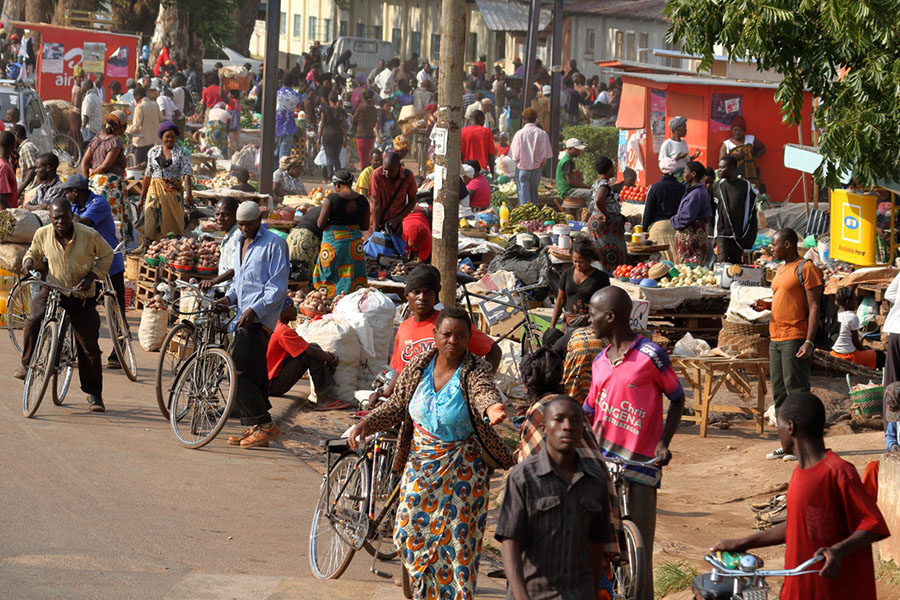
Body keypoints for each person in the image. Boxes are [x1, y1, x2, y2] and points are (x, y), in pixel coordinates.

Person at [346, 307, 514, 600]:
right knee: (407, 531)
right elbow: (398, 405)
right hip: (420, 465)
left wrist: (492, 407)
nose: (453, 340)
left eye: (460, 335)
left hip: (463, 471)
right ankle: (424, 588)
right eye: (446, 334)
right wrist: (367, 423)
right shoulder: (419, 366)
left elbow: (484, 392)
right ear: (435, 335)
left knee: (456, 544)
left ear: (469, 338)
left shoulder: (475, 370)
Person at [712, 391, 889, 600]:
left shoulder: (838, 471)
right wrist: (744, 542)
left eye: (778, 425)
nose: (778, 432)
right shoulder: (799, 473)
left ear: (790, 427)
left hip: (831, 592)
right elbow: (797, 525)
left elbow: (872, 525)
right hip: (799, 589)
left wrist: (838, 551)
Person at [584, 286, 686, 600]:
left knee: (639, 548)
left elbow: (677, 398)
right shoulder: (600, 361)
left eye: (593, 313)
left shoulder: (651, 355)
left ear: (611, 317)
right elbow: (590, 409)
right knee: (598, 546)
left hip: (641, 463)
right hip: (604, 463)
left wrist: (663, 443)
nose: (590, 320)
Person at [499, 395, 618, 600]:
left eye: (575, 420)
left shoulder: (595, 481)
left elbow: (597, 546)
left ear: (584, 429)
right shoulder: (523, 477)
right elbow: (510, 545)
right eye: (559, 419)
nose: (567, 426)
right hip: (533, 593)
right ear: (544, 428)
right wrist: (520, 597)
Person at [17, 198, 113, 412]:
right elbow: (33, 251)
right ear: (50, 218)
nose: (60, 222)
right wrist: (28, 262)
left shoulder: (89, 235)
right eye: (56, 218)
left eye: (64, 217)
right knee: (34, 319)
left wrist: (92, 276)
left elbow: (107, 255)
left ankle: (94, 394)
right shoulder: (43, 234)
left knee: (89, 347)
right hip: (53, 288)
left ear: (72, 216)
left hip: (81, 294)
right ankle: (26, 363)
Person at [216, 201, 289, 448]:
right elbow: (241, 280)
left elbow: (276, 287)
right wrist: (229, 298)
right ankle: (257, 428)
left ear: (259, 220)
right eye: (241, 225)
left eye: (249, 224)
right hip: (241, 316)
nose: (245, 229)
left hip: (261, 318)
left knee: (237, 369)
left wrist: (253, 310)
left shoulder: (274, 244)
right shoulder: (238, 242)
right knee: (255, 372)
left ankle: (265, 424)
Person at [371, 265, 501, 403]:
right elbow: (399, 369)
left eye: (428, 292)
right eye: (417, 292)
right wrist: (386, 394)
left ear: (435, 296)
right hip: (413, 405)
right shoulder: (404, 328)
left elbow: (494, 351)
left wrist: (480, 388)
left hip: (448, 405)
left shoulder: (449, 324)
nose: (422, 297)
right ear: (407, 295)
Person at [753, 228, 823, 461]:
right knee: (780, 392)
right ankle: (787, 444)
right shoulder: (781, 269)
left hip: (795, 336)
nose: (771, 249)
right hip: (776, 337)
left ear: (788, 245)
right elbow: (784, 301)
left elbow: (814, 306)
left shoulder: (807, 268)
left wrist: (810, 340)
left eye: (774, 245)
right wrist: (767, 305)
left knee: (797, 390)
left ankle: (804, 445)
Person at [63, 174, 127, 369]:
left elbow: (82, 224)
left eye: (68, 192)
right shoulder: (73, 205)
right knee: (81, 304)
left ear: (76, 192)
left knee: (117, 309)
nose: (66, 195)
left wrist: (63, 211)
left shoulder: (99, 203)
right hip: (89, 262)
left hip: (110, 261)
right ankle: (75, 349)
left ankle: (119, 349)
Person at [267, 298, 346, 407]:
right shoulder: (282, 331)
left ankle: (323, 396)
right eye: (292, 307)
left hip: (269, 382)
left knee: (312, 350)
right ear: (283, 312)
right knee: (310, 354)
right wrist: (331, 359)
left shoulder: (275, 326)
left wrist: (326, 356)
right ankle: (322, 398)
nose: (296, 310)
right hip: (273, 386)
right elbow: (309, 350)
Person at [311, 170, 369, 297]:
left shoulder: (332, 199)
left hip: (334, 244)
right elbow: (365, 226)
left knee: (329, 275)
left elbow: (320, 224)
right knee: (352, 277)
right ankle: (351, 301)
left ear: (337, 185)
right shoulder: (363, 200)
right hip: (354, 247)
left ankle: (329, 301)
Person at [550, 236, 611, 348]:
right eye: (575, 261)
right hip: (569, 325)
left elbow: (606, 305)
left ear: (590, 259)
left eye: (581, 262)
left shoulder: (600, 278)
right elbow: (560, 300)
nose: (578, 265)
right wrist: (552, 325)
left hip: (590, 327)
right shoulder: (566, 274)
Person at [138, 121, 193, 241]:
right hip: (155, 189)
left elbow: (187, 174)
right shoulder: (153, 152)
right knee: (151, 216)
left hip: (173, 192)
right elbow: (147, 175)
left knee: (172, 221)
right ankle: (151, 246)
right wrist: (141, 198)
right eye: (167, 136)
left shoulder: (181, 153)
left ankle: (171, 246)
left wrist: (188, 194)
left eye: (172, 137)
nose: (170, 139)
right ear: (161, 137)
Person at [80, 110, 128, 235]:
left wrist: (87, 181)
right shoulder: (115, 142)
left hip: (94, 185)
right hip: (110, 187)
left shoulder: (95, 140)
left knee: (97, 219)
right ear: (120, 127)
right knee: (113, 221)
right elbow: (105, 166)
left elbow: (84, 162)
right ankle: (115, 249)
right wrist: (94, 172)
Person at [711, 154, 757, 264]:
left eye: (722, 167)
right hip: (722, 235)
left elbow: (751, 213)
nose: (719, 170)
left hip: (739, 236)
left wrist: (747, 239)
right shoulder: (717, 186)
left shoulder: (745, 187)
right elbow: (713, 211)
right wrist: (714, 235)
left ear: (732, 168)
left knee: (737, 268)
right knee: (722, 266)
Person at [587, 156, 627, 272]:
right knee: (609, 253)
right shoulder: (604, 185)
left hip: (596, 222)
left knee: (599, 252)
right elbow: (599, 200)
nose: (613, 170)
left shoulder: (596, 183)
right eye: (613, 168)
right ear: (609, 169)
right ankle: (609, 279)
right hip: (606, 227)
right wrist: (607, 215)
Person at [671, 160, 712, 264]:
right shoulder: (696, 191)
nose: (684, 175)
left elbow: (686, 217)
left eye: (685, 172)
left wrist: (674, 220)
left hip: (691, 238)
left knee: (689, 266)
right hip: (695, 236)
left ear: (693, 174)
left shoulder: (696, 194)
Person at [830, 287, 882, 369]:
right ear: (847, 302)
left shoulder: (834, 315)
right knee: (879, 355)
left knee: (868, 349)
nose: (856, 302)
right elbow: (856, 343)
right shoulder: (851, 317)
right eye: (854, 300)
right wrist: (865, 349)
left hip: (834, 353)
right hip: (849, 356)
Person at [509, 107, 552, 205]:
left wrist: (520, 162)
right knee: (534, 194)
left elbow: (514, 155)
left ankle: (526, 218)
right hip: (537, 169)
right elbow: (546, 154)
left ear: (524, 119)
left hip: (523, 169)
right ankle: (534, 218)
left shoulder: (519, 134)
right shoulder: (542, 133)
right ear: (536, 118)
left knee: (523, 196)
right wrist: (540, 163)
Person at [642, 164, 685, 262]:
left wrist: (643, 229)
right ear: (675, 172)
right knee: (676, 265)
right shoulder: (682, 188)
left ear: (661, 171)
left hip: (657, 230)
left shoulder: (654, 187)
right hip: (676, 229)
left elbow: (648, 211)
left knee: (656, 266)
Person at [369, 151, 417, 233]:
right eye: (385, 169)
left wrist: (397, 220)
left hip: (396, 226)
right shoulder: (376, 175)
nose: (387, 173)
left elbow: (412, 201)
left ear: (399, 167)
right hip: (376, 223)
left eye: (391, 170)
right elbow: (376, 204)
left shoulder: (408, 176)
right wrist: (375, 233)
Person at [719, 115, 766, 192]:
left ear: (744, 131)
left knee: (754, 197)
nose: (737, 133)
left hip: (752, 178)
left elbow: (762, 148)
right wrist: (735, 157)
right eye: (735, 130)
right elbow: (721, 163)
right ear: (732, 130)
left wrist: (754, 157)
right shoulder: (726, 144)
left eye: (739, 130)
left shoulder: (750, 139)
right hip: (736, 179)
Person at [126, 86, 161, 167]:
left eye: (135, 98)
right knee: (149, 167)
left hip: (141, 142)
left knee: (137, 167)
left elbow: (136, 127)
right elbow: (161, 118)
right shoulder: (155, 104)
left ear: (137, 96)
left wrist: (126, 128)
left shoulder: (140, 107)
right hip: (153, 141)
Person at [317, 91, 347, 180]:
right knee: (336, 158)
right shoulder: (341, 111)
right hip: (338, 136)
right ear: (337, 99)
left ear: (329, 99)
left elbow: (322, 124)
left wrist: (319, 138)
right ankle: (338, 176)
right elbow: (343, 126)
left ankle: (330, 177)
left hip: (328, 136)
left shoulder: (325, 109)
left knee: (329, 158)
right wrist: (346, 139)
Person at [274, 72, 301, 163]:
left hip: (275, 127)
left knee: (273, 155)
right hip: (289, 128)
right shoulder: (296, 95)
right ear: (292, 82)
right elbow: (300, 107)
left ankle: (272, 175)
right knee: (284, 157)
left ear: (282, 81)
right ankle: (281, 175)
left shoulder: (276, 94)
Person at [351, 90, 378, 169]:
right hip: (370, 136)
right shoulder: (374, 110)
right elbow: (374, 123)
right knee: (369, 158)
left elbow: (353, 120)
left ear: (363, 99)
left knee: (363, 160)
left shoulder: (360, 109)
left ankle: (364, 177)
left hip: (361, 136)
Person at [12, 124, 38, 194]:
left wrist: (20, 189)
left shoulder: (26, 147)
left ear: (16, 135)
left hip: (32, 188)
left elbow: (33, 169)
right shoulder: (21, 148)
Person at [0, 130, 18, 208]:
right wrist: (11, 218)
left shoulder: (5, 164)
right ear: (12, 147)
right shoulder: (4, 167)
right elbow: (2, 197)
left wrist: (14, 166)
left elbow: (8, 184)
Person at [70, 66, 86, 149]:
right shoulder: (78, 89)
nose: (82, 79)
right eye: (80, 77)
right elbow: (77, 104)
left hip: (75, 114)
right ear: (75, 78)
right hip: (76, 114)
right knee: (76, 135)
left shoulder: (77, 88)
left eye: (82, 77)